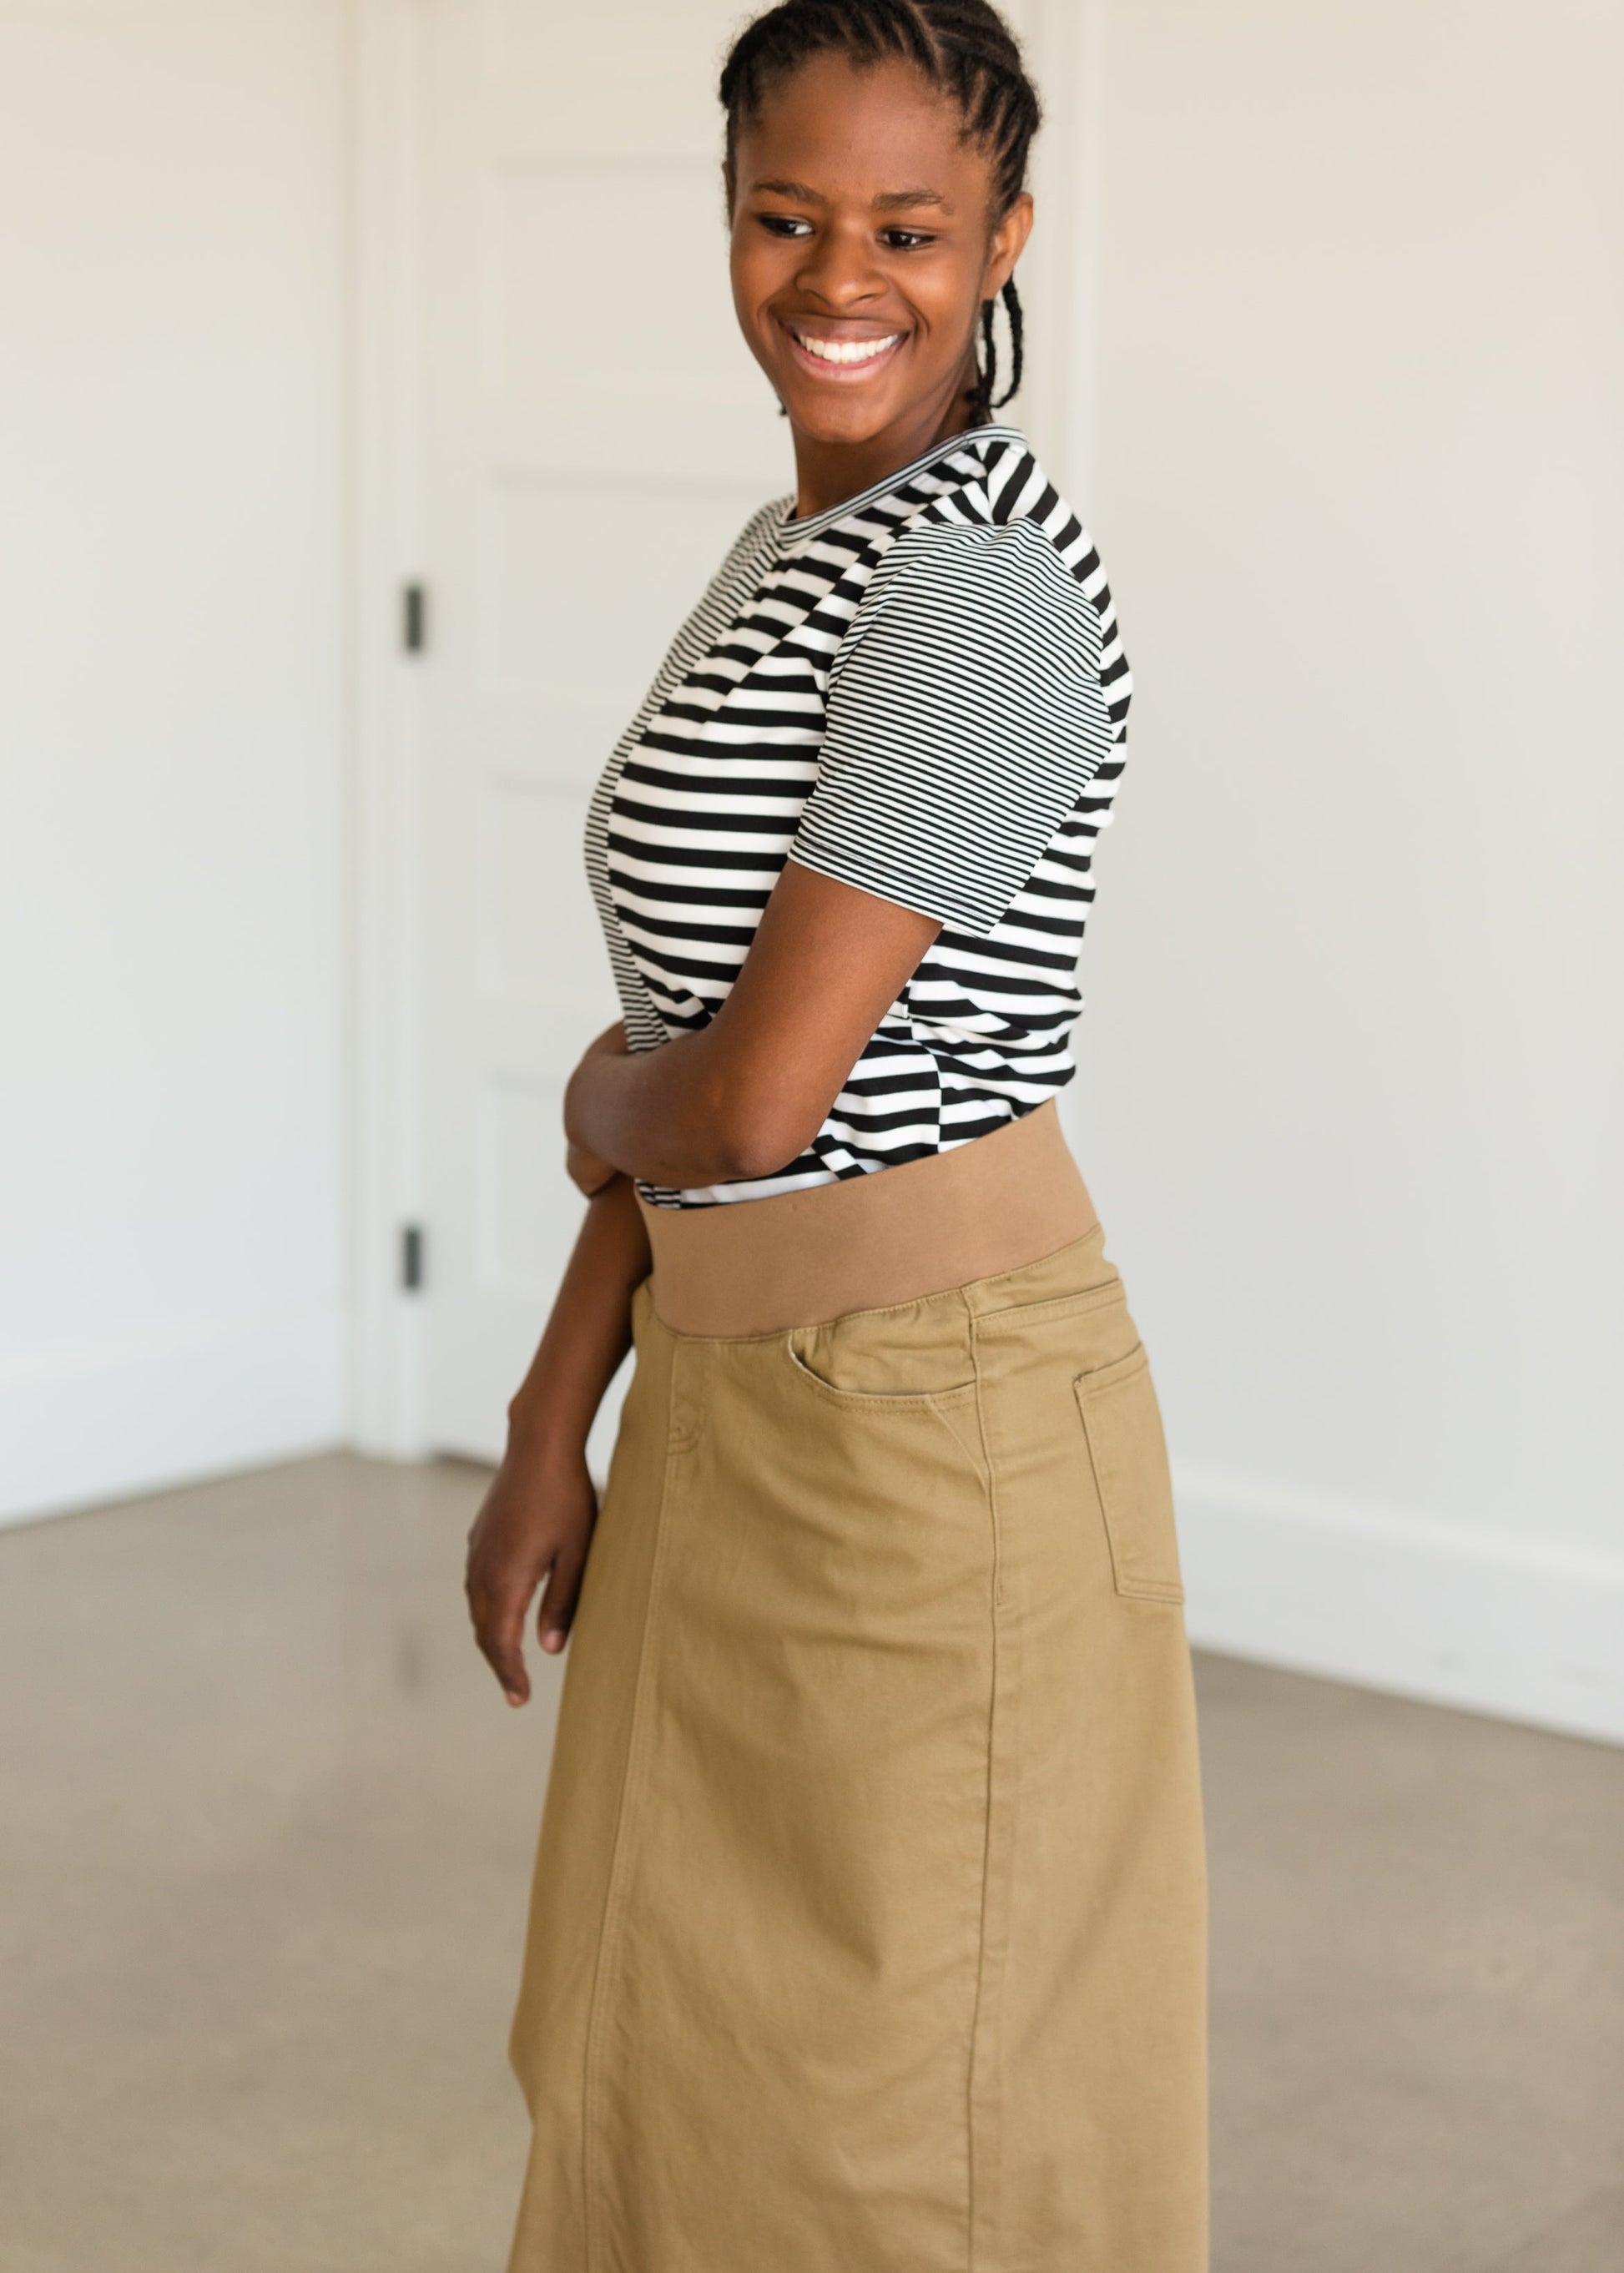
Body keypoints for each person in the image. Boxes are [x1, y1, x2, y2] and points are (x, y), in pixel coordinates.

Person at [464, 4, 1207, 2266]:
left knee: (902, 2131)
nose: (833, 276)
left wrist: (598, 1106)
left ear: (1004, 242)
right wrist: (549, 1405)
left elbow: (739, 1093)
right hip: (730, 1404)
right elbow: (698, 1043)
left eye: (903, 224)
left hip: (929, 1436)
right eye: (784, 216)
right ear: (725, 216)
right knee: (655, 2052)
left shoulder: (969, 576)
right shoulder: (805, 539)